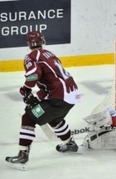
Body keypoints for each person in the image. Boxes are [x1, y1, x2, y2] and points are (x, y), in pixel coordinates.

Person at [5, 31, 81, 170]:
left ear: (28, 44)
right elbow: (51, 80)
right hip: (71, 95)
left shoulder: (31, 57)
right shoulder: (49, 54)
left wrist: (26, 89)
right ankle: (70, 144)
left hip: (58, 97)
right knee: (53, 117)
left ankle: (23, 156)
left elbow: (34, 75)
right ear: (43, 41)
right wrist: (38, 97)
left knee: (28, 117)